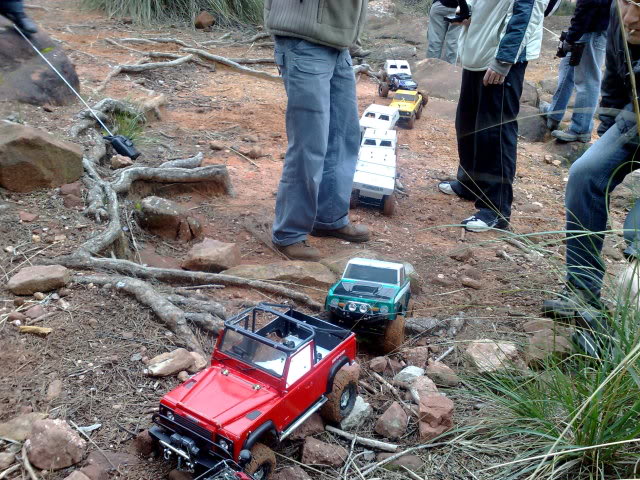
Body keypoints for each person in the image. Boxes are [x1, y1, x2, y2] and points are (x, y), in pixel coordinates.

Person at [543, 0, 640, 317]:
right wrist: (608, 135)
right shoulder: (616, 13)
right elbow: (614, 75)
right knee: (586, 174)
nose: (630, 17)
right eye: (626, 2)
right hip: (634, 118)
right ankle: (582, 293)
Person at [264, 1, 370, 261]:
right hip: (305, 39)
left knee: (343, 136)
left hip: (337, 43)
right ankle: (289, 232)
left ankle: (329, 217)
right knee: (310, 142)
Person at [437, 0, 549, 232]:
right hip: (478, 49)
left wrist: (504, 59)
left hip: (500, 56)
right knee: (467, 123)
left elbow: (526, 13)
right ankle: (470, 183)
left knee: (495, 133)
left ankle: (495, 209)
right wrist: (467, 11)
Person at [539, 0, 612, 143]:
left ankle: (580, 129)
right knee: (567, 67)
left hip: (592, 29)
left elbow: (588, 4)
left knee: (587, 79)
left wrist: (572, 36)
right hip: (591, 26)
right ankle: (554, 113)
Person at [426, 0, 461, 64]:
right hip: (459, 7)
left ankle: (430, 68)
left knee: (434, 41)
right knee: (453, 43)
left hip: (440, 5)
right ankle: (449, 71)